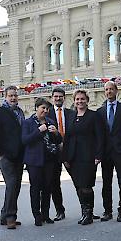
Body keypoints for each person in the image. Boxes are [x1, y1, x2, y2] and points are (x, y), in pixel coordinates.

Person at [63, 89, 104, 225]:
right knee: (78, 185)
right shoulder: (71, 116)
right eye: (77, 99)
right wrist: (65, 158)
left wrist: (98, 155)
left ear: (87, 100)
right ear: (74, 101)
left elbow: (100, 137)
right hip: (73, 157)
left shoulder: (94, 116)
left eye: (82, 99)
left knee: (86, 185)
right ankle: (84, 211)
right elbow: (67, 137)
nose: (80, 101)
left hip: (88, 156)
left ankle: (89, 213)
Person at [0, 86, 26, 229]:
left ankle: (4, 215)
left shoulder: (20, 112)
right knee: (11, 184)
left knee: (15, 186)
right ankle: (11, 216)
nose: (13, 98)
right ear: (5, 97)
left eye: (15, 96)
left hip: (19, 155)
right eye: (10, 95)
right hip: (5, 156)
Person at [22, 98, 62, 226]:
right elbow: (25, 140)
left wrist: (56, 133)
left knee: (47, 188)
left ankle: (46, 214)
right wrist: (38, 131)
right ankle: (37, 215)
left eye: (47, 109)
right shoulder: (28, 123)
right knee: (35, 188)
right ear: (37, 108)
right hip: (34, 161)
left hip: (49, 160)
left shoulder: (50, 121)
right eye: (43, 108)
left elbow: (58, 140)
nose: (45, 111)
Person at [97, 81, 121, 222]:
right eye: (106, 89)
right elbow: (98, 134)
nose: (109, 91)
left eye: (111, 89)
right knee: (106, 182)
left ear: (116, 91)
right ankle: (107, 211)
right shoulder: (100, 111)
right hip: (106, 153)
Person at [47, 87, 73, 221]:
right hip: (54, 154)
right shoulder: (47, 114)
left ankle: (86, 209)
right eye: (55, 96)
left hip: (70, 152)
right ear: (52, 98)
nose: (58, 99)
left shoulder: (71, 113)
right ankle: (60, 211)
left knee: (79, 181)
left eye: (60, 96)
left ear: (64, 98)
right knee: (54, 184)